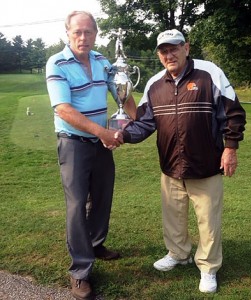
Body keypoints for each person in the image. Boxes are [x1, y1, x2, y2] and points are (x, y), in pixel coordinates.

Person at [117, 29, 246, 293]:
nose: (169, 54)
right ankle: (178, 253)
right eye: (163, 50)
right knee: (173, 217)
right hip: (170, 166)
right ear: (159, 55)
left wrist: (230, 148)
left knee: (208, 221)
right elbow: (143, 123)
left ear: (186, 48)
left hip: (206, 165)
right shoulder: (154, 84)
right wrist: (120, 135)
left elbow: (234, 113)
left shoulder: (209, 73)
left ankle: (208, 268)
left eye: (174, 48)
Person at [46, 11, 135, 300]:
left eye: (88, 32)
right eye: (77, 32)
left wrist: (135, 123)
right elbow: (63, 109)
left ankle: (96, 244)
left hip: (100, 144)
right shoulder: (57, 62)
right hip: (73, 143)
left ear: (96, 34)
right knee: (76, 206)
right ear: (68, 34)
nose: (83, 37)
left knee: (102, 196)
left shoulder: (103, 61)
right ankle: (80, 271)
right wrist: (102, 132)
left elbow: (122, 92)